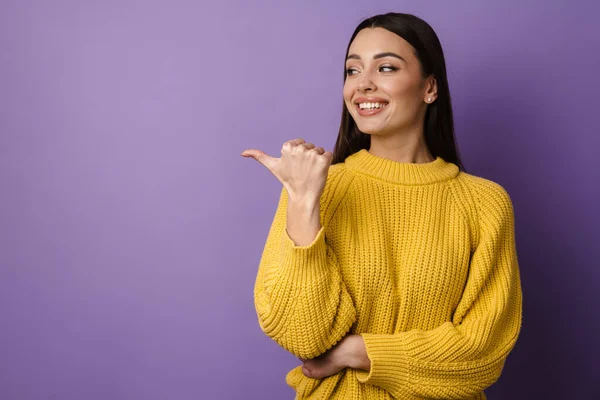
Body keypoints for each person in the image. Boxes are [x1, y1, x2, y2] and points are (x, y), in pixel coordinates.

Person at [240, 12, 523, 400]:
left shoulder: (485, 203)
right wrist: (304, 201)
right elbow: (302, 334)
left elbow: (482, 353)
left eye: (386, 67)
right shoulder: (317, 186)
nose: (363, 85)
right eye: (352, 71)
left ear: (430, 88)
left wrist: (358, 352)